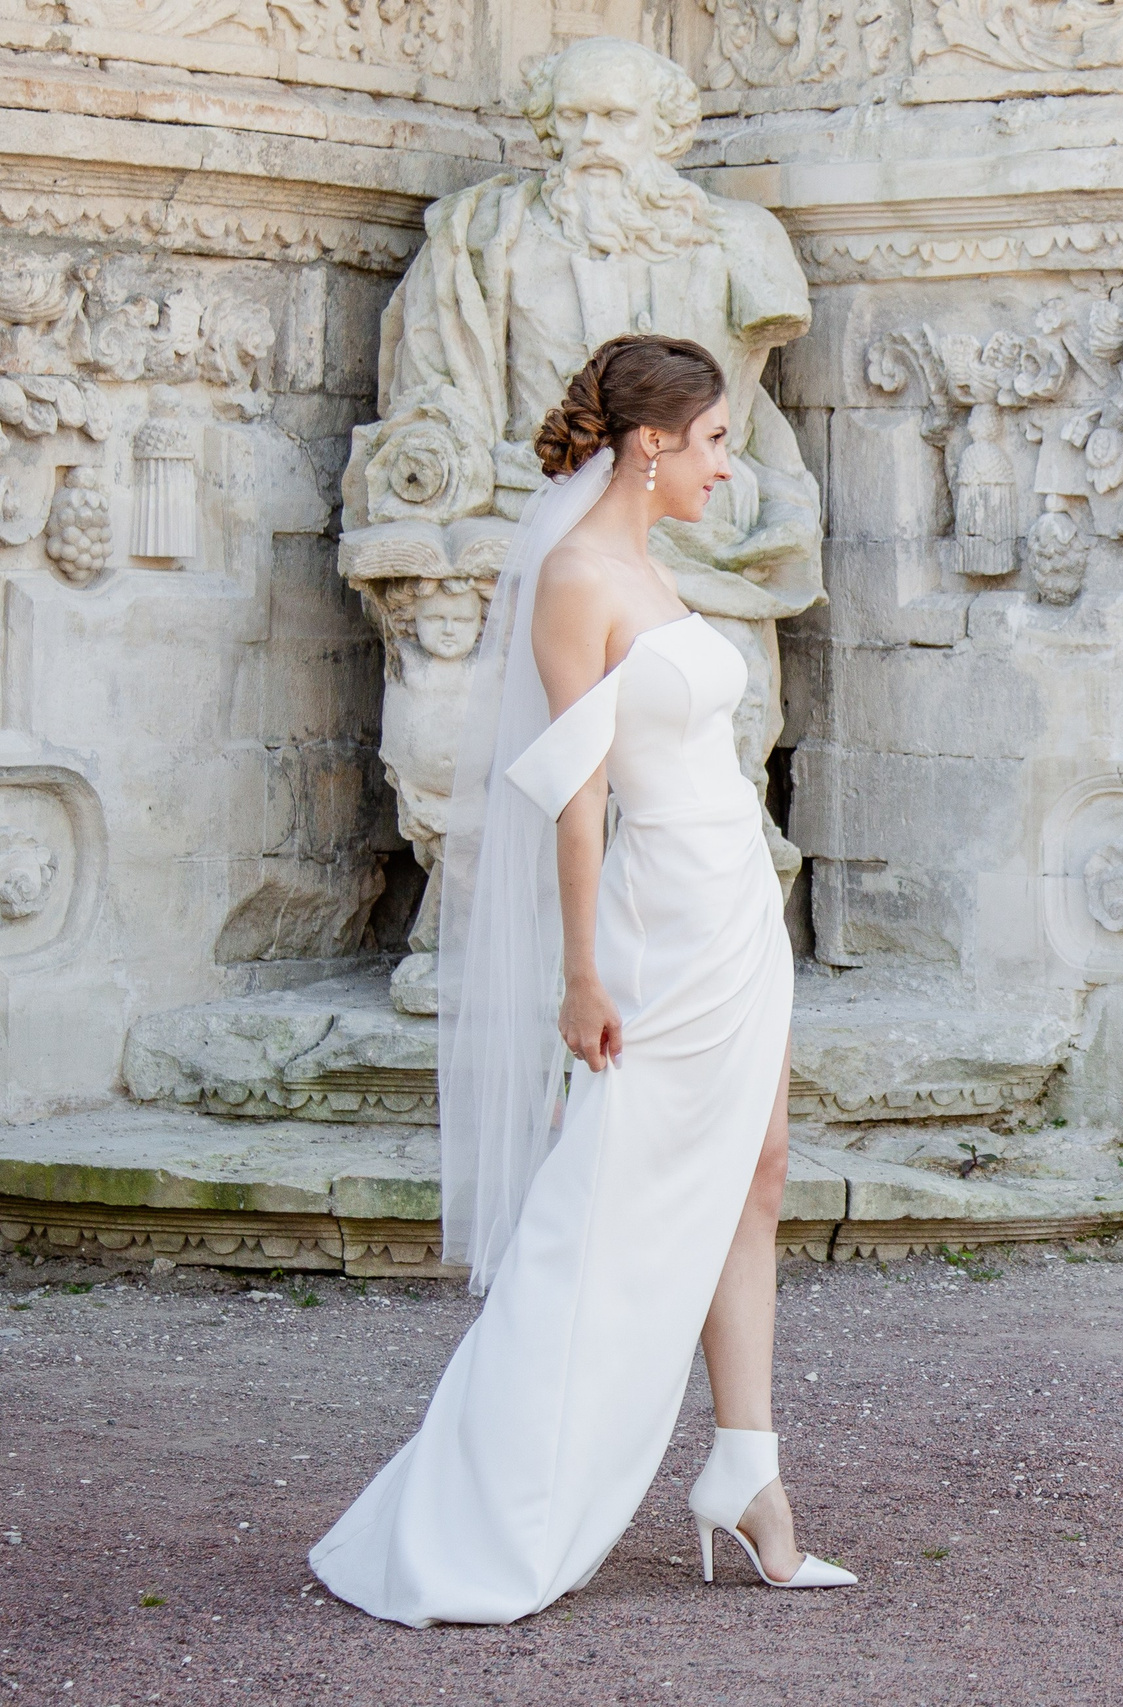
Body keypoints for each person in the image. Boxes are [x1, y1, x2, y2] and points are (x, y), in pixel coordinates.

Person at [310, 335, 854, 1627]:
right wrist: (579, 973)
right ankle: (489, 1502)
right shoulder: (573, 577)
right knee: (608, 1200)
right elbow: (574, 795)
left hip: (734, 902)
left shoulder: (654, 565)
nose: (731, 467)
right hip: (659, 914)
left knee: (760, 1172)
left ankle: (747, 1474)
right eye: (716, 441)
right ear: (653, 444)